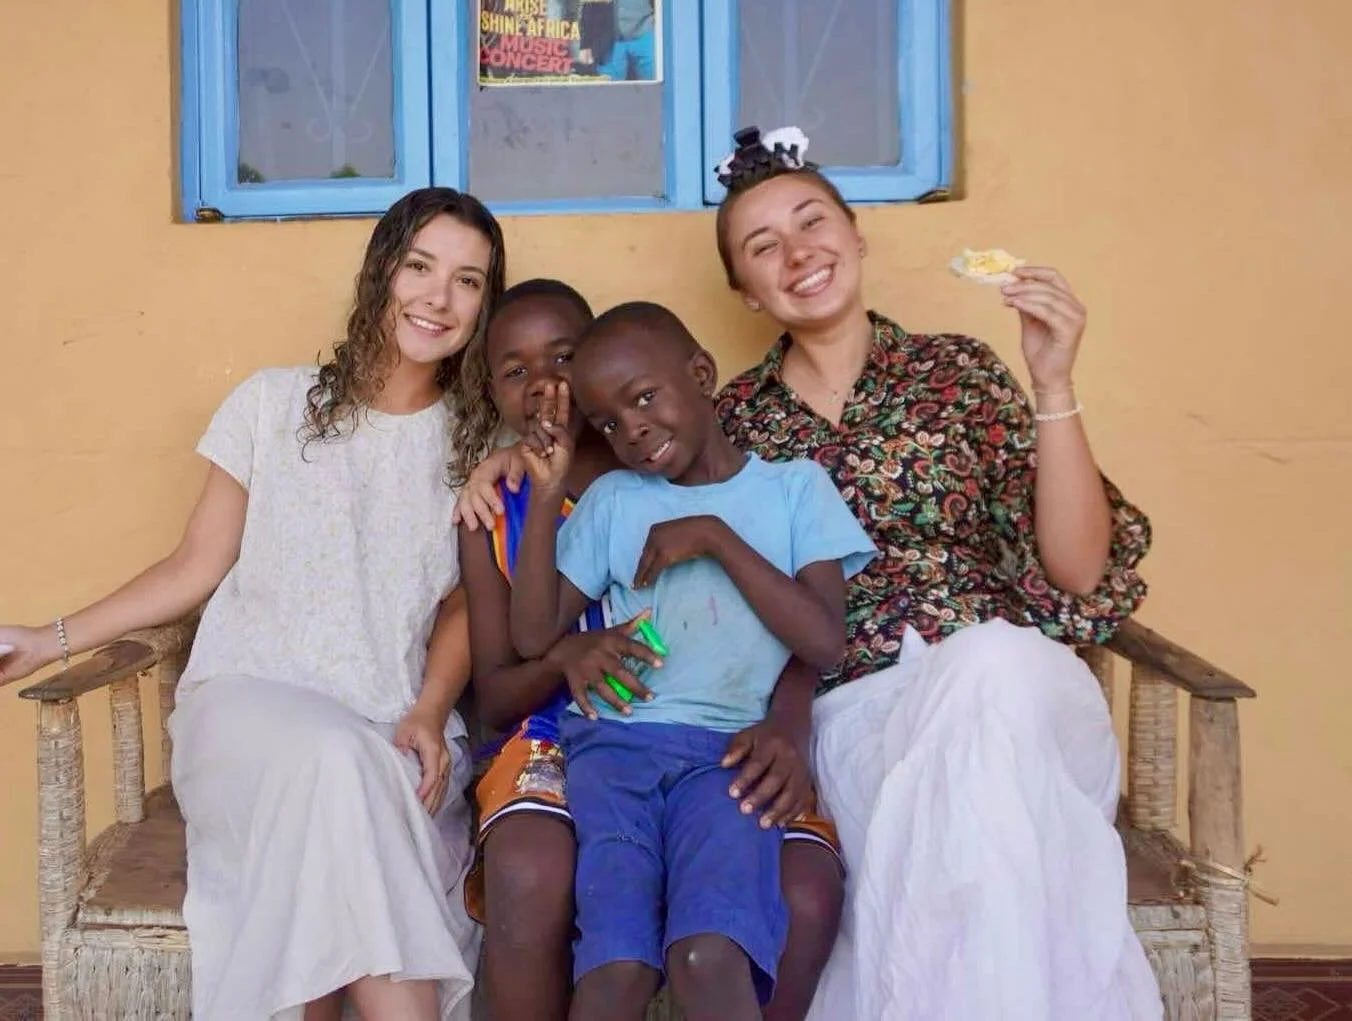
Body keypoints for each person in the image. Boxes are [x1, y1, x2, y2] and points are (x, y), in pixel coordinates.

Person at [458, 125, 1162, 1020]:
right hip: (852, 710)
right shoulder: (723, 417)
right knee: (959, 830)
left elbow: (1078, 567)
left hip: (1001, 689)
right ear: (743, 293)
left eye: (811, 221)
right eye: (763, 246)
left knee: (989, 679)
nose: (797, 253)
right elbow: (592, 457)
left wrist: (1053, 380)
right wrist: (504, 465)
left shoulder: (959, 372)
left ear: (855, 233)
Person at [0, 186, 507, 1021]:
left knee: (348, 791)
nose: (437, 297)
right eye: (420, 266)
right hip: (246, 707)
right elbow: (193, 567)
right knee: (333, 769)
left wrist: (427, 707)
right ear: (382, 272)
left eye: (467, 281)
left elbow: (460, 605)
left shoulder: (474, 442)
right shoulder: (273, 404)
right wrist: (49, 639)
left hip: (388, 726)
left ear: (484, 306)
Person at [458, 282, 856, 1021]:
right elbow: (532, 639)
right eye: (612, 419)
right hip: (613, 747)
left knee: (707, 954)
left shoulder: (795, 489)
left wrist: (712, 536)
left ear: (702, 376)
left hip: (723, 753)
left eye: (642, 399)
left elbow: (823, 639)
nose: (631, 431)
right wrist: (545, 500)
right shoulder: (616, 502)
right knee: (614, 971)